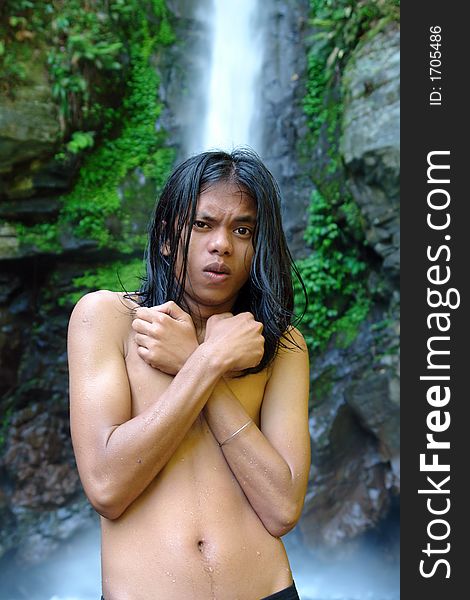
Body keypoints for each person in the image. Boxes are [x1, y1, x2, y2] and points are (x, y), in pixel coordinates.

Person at [68, 148, 311, 600]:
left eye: (243, 230)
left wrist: (201, 363)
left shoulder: (280, 345)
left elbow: (281, 509)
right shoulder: (107, 319)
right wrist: (208, 361)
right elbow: (106, 486)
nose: (222, 244)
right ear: (166, 236)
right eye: (202, 224)